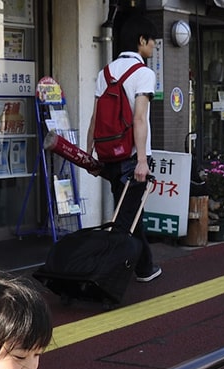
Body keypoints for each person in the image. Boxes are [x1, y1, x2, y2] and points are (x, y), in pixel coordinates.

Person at [86, 10, 162, 283]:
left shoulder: (104, 73)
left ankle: (145, 267)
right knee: (124, 219)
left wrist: (89, 154)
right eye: (152, 41)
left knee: (129, 211)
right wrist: (142, 160)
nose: (154, 46)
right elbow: (139, 118)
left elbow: (96, 117)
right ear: (141, 40)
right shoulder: (143, 74)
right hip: (132, 157)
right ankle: (104, 276)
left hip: (108, 155)